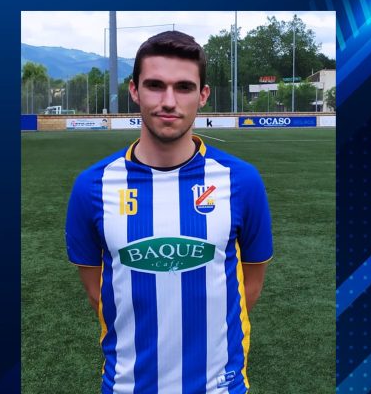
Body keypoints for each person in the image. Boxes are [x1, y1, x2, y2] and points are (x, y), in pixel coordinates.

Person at [65, 30, 272, 394]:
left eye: (184, 87)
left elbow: (250, 287)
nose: (169, 101)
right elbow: (98, 294)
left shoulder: (241, 181)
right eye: (155, 85)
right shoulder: (92, 187)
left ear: (203, 95)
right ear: (134, 91)